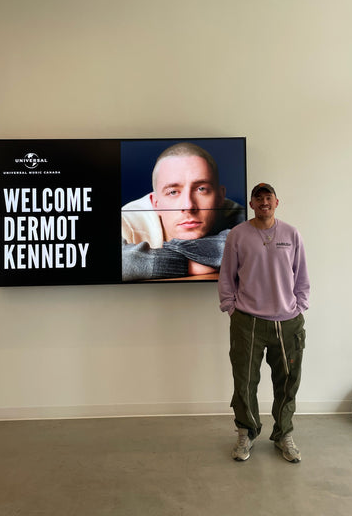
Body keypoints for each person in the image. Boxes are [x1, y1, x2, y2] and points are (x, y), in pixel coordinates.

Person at [218, 183, 310, 463]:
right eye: (258, 199)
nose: (264, 202)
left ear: (276, 202)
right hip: (248, 321)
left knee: (288, 382)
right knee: (244, 381)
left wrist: (300, 306)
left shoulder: (291, 234)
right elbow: (227, 275)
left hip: (287, 321)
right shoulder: (238, 235)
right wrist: (230, 307)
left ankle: (284, 434)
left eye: (268, 198)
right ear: (252, 204)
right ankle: (246, 432)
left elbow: (301, 274)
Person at [121, 142, 245, 281]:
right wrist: (189, 265)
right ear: (155, 203)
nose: (188, 205)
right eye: (173, 192)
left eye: (201, 189)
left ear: (220, 197)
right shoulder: (126, 220)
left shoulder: (232, 212)